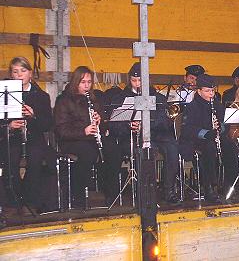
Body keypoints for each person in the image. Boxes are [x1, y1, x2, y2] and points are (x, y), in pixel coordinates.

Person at [108, 62, 180, 204]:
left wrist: (147, 124)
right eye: (134, 81)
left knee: (172, 148)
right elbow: (114, 124)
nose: (137, 84)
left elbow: (165, 122)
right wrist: (129, 125)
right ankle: (147, 191)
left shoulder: (158, 98)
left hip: (157, 134)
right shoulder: (121, 98)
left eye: (140, 80)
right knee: (147, 151)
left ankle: (168, 190)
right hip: (133, 137)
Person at [54, 66, 121, 208]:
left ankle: (111, 194)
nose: (86, 85)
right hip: (71, 140)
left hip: (90, 138)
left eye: (89, 82)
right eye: (82, 82)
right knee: (88, 153)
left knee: (113, 150)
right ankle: (78, 197)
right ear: (75, 82)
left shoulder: (93, 99)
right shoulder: (64, 100)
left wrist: (99, 122)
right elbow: (61, 130)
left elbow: (103, 127)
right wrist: (83, 131)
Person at [0, 56, 56, 213]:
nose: (19, 75)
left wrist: (33, 116)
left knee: (36, 158)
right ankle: (14, 201)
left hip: (33, 138)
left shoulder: (42, 96)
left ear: (30, 74)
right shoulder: (4, 95)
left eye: (23, 71)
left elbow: (48, 125)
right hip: (12, 137)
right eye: (15, 71)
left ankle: (31, 201)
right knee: (9, 159)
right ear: (11, 75)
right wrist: (9, 126)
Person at [180, 74, 224, 203]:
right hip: (194, 141)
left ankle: (227, 184)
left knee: (229, 146)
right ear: (198, 91)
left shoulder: (217, 105)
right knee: (208, 148)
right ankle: (209, 187)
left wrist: (220, 128)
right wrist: (206, 133)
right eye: (207, 91)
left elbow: (224, 122)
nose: (211, 94)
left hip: (213, 138)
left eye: (212, 91)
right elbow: (188, 129)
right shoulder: (192, 107)